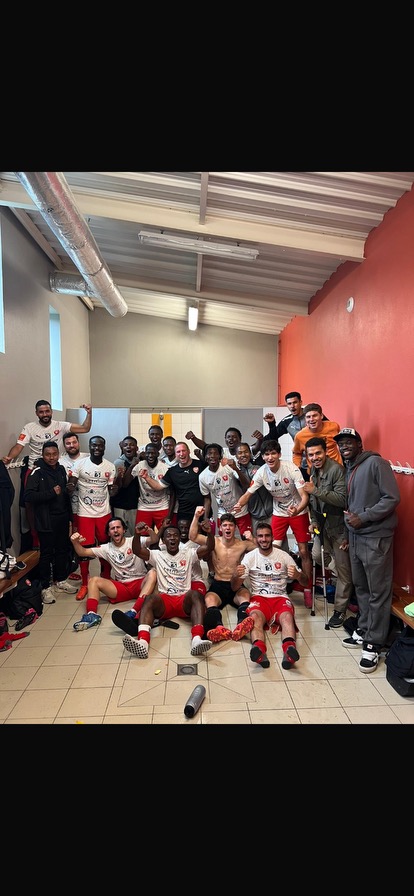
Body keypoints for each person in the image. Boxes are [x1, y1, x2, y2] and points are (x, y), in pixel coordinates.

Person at [334, 427, 401, 672]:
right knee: (361, 587)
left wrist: (363, 518)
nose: (344, 446)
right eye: (341, 443)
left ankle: (374, 643)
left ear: (359, 444)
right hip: (355, 537)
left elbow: (392, 498)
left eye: (349, 442)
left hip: (376, 538)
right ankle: (364, 629)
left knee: (377, 592)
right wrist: (348, 533)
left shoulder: (376, 463)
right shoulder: (350, 467)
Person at [121, 512, 215, 659]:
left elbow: (209, 547)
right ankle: (143, 643)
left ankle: (196, 640)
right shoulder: (157, 555)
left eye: (175, 535)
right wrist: (137, 535)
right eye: (169, 536)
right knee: (150, 598)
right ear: (163, 540)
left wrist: (209, 533)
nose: (172, 538)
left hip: (183, 600)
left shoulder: (188, 553)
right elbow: (137, 550)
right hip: (165, 601)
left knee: (196, 595)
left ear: (179, 539)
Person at [232, 439, 313, 608]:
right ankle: (274, 585)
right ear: (262, 456)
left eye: (273, 453)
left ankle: (308, 589)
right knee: (272, 548)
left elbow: (305, 496)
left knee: (304, 551)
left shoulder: (291, 468)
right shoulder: (262, 472)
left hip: (298, 510)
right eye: (266, 454)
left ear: (279, 454)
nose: (270, 457)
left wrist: (297, 509)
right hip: (279, 512)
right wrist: (239, 504)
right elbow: (248, 493)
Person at [2, 399, 92, 547]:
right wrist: (9, 458)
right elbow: (19, 446)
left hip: (55, 469)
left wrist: (89, 413)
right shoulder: (30, 428)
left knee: (60, 499)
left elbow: (85, 428)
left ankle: (63, 534)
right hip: (34, 469)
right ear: (36, 413)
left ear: (51, 412)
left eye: (47, 411)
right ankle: (35, 537)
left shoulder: (61, 425)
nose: (45, 414)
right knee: (30, 503)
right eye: (41, 412)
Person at [230, 522, 309, 668]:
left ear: (272, 537)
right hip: (259, 598)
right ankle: (259, 650)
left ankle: (289, 650)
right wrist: (235, 576)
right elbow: (234, 587)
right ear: (256, 538)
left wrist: (298, 575)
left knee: (287, 617)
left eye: (267, 536)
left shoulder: (283, 556)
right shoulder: (250, 557)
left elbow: (305, 582)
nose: (264, 539)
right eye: (260, 536)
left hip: (280, 597)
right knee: (255, 617)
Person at [70, 518, 157, 631]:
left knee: (153, 572)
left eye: (118, 527)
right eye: (112, 528)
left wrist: (149, 530)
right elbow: (83, 552)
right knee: (93, 580)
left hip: (140, 584)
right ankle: (92, 615)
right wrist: (75, 542)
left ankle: (134, 611)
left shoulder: (134, 540)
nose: (115, 530)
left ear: (124, 530)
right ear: (108, 533)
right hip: (122, 586)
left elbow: (154, 539)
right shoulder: (106, 548)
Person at [303, 436, 354, 627]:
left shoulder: (337, 470)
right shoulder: (313, 470)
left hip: (339, 528)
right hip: (322, 527)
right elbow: (313, 503)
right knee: (317, 555)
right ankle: (342, 579)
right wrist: (313, 521)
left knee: (344, 572)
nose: (315, 457)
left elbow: (342, 500)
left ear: (325, 452)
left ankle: (339, 611)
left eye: (318, 453)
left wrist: (315, 490)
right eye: (311, 455)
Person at [189, 506, 256, 642]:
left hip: (235, 584)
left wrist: (252, 538)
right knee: (209, 600)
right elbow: (193, 536)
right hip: (218, 583)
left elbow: (262, 547)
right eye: (225, 525)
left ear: (235, 528)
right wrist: (196, 516)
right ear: (220, 528)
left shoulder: (243, 544)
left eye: (231, 525)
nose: (228, 528)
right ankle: (219, 628)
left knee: (246, 597)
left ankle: (241, 625)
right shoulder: (214, 541)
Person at [23, 441, 77, 603]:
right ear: (43, 455)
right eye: (48, 454)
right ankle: (45, 587)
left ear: (58, 454)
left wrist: (69, 517)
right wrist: (51, 493)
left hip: (62, 517)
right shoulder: (36, 472)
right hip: (46, 520)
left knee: (62, 550)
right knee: (46, 553)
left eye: (54, 454)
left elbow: (64, 495)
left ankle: (60, 580)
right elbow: (28, 496)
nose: (51, 457)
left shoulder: (61, 469)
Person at [66, 435, 118, 601]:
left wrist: (114, 489)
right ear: (89, 446)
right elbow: (72, 481)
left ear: (104, 447)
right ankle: (84, 583)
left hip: (104, 513)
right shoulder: (80, 464)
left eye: (100, 445)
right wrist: (70, 485)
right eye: (94, 445)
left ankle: (106, 578)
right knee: (85, 549)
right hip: (85, 513)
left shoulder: (110, 466)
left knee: (105, 547)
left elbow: (111, 489)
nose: (97, 448)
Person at [251, 391, 329, 481]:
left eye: (295, 402)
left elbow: (330, 430)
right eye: (289, 404)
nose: (292, 406)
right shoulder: (287, 421)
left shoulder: (312, 415)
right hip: (303, 465)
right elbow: (273, 438)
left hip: (321, 460)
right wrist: (271, 424)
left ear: (300, 402)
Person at [138, 441, 207, 522]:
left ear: (188, 451)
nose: (181, 454)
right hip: (184, 513)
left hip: (202, 511)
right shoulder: (172, 471)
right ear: (175, 454)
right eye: (178, 452)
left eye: (183, 451)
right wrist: (146, 477)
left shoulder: (200, 464)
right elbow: (158, 486)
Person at [198, 442, 253, 537]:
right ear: (205, 457)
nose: (212, 456)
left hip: (241, 510)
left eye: (215, 453)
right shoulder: (202, 477)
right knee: (223, 540)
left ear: (220, 456)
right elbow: (207, 498)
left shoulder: (227, 467)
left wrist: (236, 469)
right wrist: (205, 517)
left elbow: (246, 485)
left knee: (247, 538)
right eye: (209, 453)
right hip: (223, 513)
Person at [122, 442, 173, 530]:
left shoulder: (165, 468)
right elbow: (125, 484)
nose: (150, 456)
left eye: (153, 453)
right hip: (144, 507)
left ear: (158, 454)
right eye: (148, 453)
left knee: (165, 533)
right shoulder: (140, 465)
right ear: (145, 454)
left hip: (162, 506)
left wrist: (169, 514)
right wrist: (132, 465)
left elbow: (172, 492)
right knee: (142, 534)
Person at [235, 442, 273, 533]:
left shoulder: (259, 468)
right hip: (254, 515)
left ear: (250, 453)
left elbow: (251, 486)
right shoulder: (235, 474)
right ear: (236, 456)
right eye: (240, 453)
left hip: (271, 512)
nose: (243, 455)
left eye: (246, 452)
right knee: (257, 540)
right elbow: (246, 487)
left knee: (276, 539)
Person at [292, 404, 342, 474]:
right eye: (308, 417)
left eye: (314, 415)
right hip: (316, 473)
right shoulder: (300, 436)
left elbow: (341, 443)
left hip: (337, 470)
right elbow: (297, 453)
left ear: (321, 416)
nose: (311, 419)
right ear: (305, 419)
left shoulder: (334, 427)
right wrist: (296, 469)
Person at [110, 436, 140, 537]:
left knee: (133, 533)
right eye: (126, 445)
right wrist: (131, 466)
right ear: (122, 448)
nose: (128, 447)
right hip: (119, 505)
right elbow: (123, 484)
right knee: (120, 533)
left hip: (134, 504)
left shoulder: (140, 462)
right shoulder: (118, 462)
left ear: (136, 448)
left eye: (131, 445)